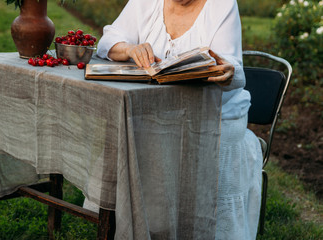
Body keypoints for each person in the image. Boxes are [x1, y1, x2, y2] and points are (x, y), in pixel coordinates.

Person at [93, 0, 263, 239]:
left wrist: (226, 71)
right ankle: (152, 227)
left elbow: (231, 65)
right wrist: (131, 49)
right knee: (134, 128)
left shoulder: (222, 5)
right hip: (160, 112)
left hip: (216, 118)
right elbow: (108, 42)